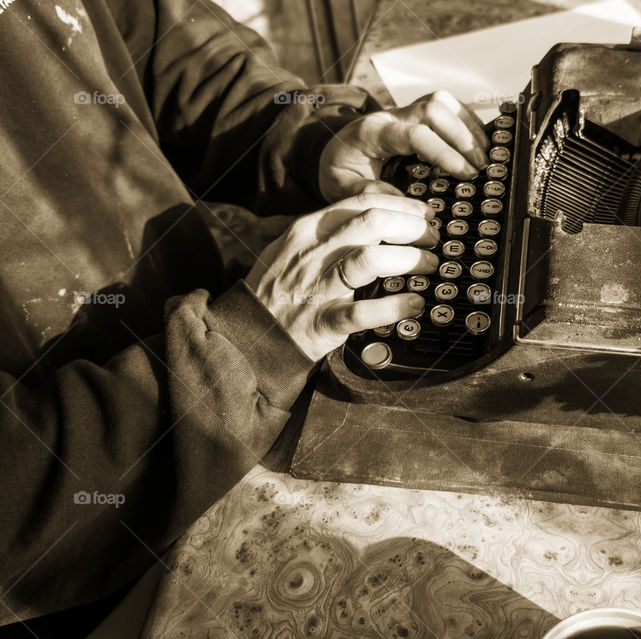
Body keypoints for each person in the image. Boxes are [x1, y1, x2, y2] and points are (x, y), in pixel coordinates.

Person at [0, 0, 489, 633]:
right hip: (88, 571)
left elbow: (158, 36)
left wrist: (309, 138)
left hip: (217, 351)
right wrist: (246, 346)